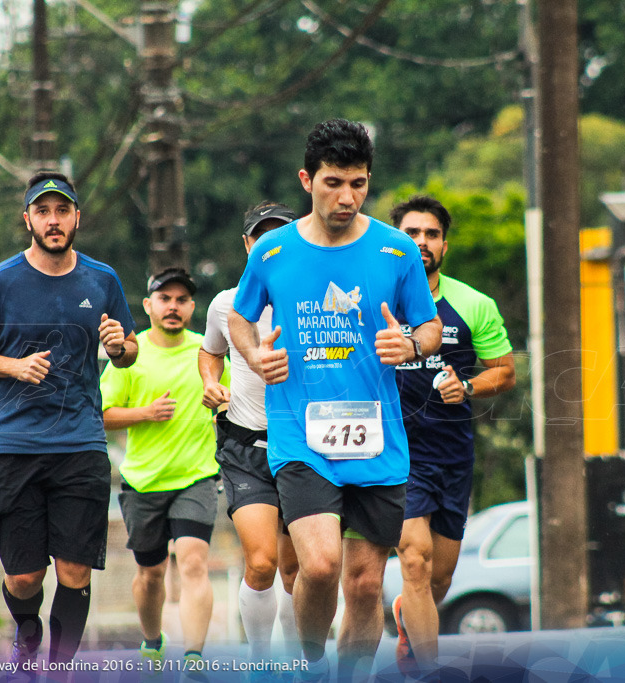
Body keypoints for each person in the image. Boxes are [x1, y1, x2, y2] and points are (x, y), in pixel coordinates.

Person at [229, 119, 442, 681]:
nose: (346, 197)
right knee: (319, 566)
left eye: (358, 183)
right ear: (307, 179)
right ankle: (311, 665)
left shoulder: (396, 251)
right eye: (333, 183)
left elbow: (430, 328)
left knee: (367, 584)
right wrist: (253, 355)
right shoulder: (272, 252)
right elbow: (239, 319)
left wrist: (409, 343)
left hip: (378, 439)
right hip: (302, 435)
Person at [0, 171, 138, 664]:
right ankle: (28, 629)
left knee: (76, 570)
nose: (53, 221)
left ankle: (59, 669)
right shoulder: (0, 281)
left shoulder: (102, 279)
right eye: (43, 212)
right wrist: (12, 366)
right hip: (12, 446)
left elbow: (129, 348)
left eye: (62, 211)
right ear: (28, 219)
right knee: (24, 577)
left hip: (81, 443)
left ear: (77, 216)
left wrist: (120, 349)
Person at [387, 195, 516, 676]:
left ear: (444, 243)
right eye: (411, 234)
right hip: (397, 453)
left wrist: (467, 387)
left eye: (431, 234)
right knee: (414, 562)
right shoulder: (375, 299)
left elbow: (503, 372)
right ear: (394, 241)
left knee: (438, 579)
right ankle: (429, 670)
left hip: (453, 454)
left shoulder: (473, 304)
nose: (421, 242)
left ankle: (407, 615)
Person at [101, 267, 222, 674]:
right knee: (151, 574)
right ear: (148, 305)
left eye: (182, 300)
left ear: (192, 307)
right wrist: (146, 414)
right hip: (143, 481)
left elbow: (230, 398)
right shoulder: (130, 356)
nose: (173, 307)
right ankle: (153, 641)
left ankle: (194, 658)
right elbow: (101, 414)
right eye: (165, 299)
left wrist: (221, 402)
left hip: (196, 476)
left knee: (192, 563)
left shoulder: (207, 350)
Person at [199, 202, 301, 666]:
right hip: (246, 443)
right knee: (262, 563)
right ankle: (260, 661)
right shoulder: (227, 302)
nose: (270, 245)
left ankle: (298, 660)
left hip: (305, 443)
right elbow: (210, 352)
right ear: (247, 245)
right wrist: (209, 381)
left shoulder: (315, 297)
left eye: (280, 234)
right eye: (261, 236)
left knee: (298, 569)